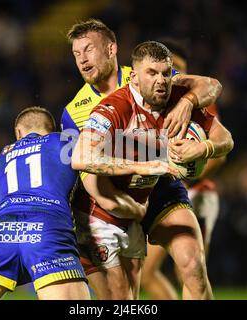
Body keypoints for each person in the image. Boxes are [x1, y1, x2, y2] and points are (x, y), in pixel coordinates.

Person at [61, 19, 223, 299]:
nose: (83, 59)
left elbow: (212, 86)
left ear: (111, 49)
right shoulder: (73, 111)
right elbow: (86, 172)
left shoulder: (147, 74)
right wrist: (123, 206)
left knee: (192, 264)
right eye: (76, 54)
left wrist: (187, 102)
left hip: (161, 187)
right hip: (113, 198)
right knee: (126, 295)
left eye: (88, 49)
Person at [0, 107, 90, 300]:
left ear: (18, 132)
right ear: (51, 129)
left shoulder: (4, 154)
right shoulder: (63, 141)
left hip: (2, 233)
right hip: (47, 231)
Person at [141, 38, 227, 299]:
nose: (171, 75)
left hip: (197, 192)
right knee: (165, 272)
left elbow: (219, 152)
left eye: (177, 67)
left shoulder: (199, 100)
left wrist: (187, 179)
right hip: (176, 193)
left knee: (188, 270)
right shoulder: (151, 103)